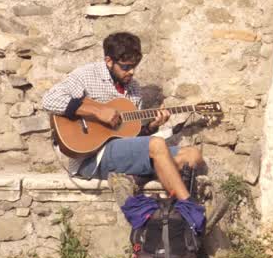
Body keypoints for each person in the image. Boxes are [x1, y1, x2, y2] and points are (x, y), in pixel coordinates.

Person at [41, 31, 203, 203]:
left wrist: (152, 127)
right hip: (92, 157)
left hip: (121, 153)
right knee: (157, 144)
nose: (131, 72)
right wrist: (97, 111)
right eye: (126, 67)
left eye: (134, 66)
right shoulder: (87, 75)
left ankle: (134, 180)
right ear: (109, 61)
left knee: (192, 155)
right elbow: (50, 100)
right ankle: (189, 208)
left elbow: (132, 137)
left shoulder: (134, 89)